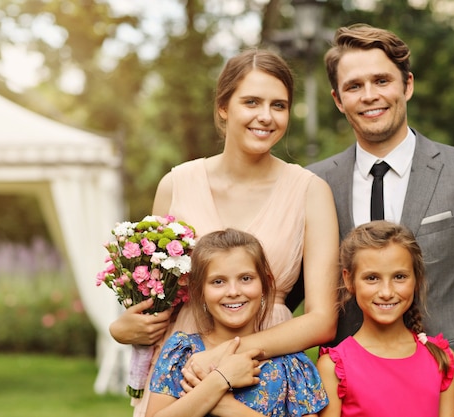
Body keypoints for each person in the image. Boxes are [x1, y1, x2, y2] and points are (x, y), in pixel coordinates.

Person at [299, 23, 454, 416]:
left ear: (407, 85)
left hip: (449, 397)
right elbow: (281, 295)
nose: (370, 95)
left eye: (382, 80)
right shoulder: (314, 183)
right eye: (354, 86)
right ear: (337, 99)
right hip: (348, 398)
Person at [109, 48, 340, 416]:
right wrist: (125, 328)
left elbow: (322, 320)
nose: (266, 116)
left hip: (268, 365)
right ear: (223, 107)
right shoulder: (176, 183)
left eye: (278, 106)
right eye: (251, 102)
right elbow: (157, 296)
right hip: (184, 374)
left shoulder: (310, 191)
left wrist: (222, 357)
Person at [146, 228, 329, 417]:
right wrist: (219, 381)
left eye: (246, 278)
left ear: (265, 284)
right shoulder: (182, 354)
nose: (233, 291)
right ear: (199, 290)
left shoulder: (291, 364)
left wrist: (224, 406)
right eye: (218, 281)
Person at [316, 221, 454, 417]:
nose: (386, 292)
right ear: (349, 280)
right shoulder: (333, 367)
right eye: (372, 278)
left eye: (399, 277)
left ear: (416, 279)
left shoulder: (441, 358)